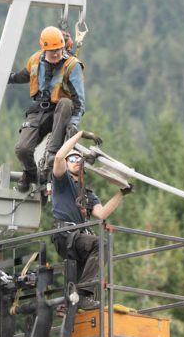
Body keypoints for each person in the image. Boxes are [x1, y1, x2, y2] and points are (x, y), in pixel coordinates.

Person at [50, 129, 129, 310]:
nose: (76, 162)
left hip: (77, 238)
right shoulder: (62, 181)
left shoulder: (86, 193)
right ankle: (84, 295)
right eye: (73, 159)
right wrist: (80, 135)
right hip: (65, 233)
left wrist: (121, 193)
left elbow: (101, 214)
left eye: (79, 159)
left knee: (86, 268)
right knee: (101, 244)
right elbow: (58, 157)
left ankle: (72, 302)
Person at [8, 26, 86, 191]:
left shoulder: (72, 66)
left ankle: (52, 154)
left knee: (66, 103)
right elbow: (24, 75)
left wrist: (73, 124)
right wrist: (9, 78)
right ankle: (31, 174)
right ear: (44, 49)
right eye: (52, 51)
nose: (56, 54)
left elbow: (79, 101)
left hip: (60, 112)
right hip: (39, 111)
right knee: (22, 149)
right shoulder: (36, 59)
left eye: (59, 50)